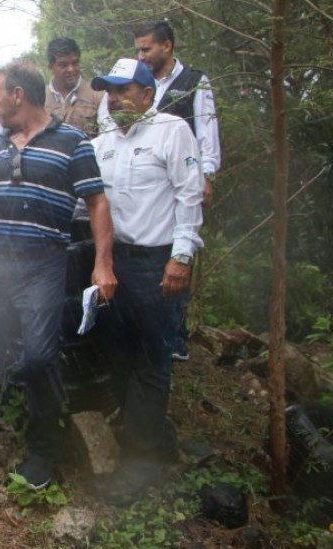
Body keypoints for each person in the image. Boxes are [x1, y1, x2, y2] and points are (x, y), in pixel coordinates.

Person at [0, 62, 117, 491]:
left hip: (43, 266)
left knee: (39, 359)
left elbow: (96, 203)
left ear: (18, 95)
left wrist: (103, 263)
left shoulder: (73, 142)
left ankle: (43, 452)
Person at [89, 59, 203, 499]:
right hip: (113, 262)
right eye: (109, 91)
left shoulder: (172, 131)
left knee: (152, 359)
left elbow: (189, 194)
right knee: (118, 352)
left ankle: (142, 461)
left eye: (123, 90)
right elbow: (90, 203)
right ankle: (148, 435)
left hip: (158, 263)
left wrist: (181, 256)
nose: (115, 98)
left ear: (147, 94)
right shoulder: (102, 143)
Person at [104, 20, 221, 361]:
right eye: (137, 50)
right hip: (122, 239)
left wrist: (207, 174)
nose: (141, 55)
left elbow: (207, 130)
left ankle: (175, 340)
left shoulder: (193, 82)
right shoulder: (116, 114)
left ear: (167, 46)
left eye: (146, 49)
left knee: (174, 262)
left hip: (179, 181)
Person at [46, 37, 105, 137]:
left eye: (75, 63)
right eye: (63, 65)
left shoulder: (97, 95)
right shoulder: (40, 99)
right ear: (50, 67)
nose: (71, 69)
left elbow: (107, 135)